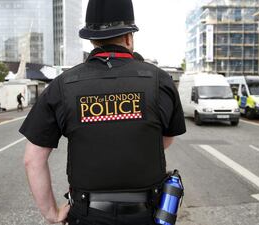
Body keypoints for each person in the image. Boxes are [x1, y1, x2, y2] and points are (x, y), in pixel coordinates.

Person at [20, 0, 186, 224]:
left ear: (91, 40)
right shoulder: (160, 80)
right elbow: (164, 140)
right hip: (147, 214)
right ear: (129, 37)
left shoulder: (62, 85)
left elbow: (33, 159)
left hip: (88, 215)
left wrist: (52, 213)